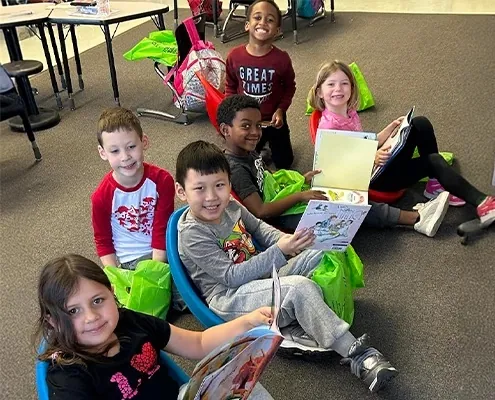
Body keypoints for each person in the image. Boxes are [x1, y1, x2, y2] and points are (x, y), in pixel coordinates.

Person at [175, 140, 398, 393]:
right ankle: (357, 354)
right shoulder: (192, 234)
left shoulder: (231, 206)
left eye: (219, 185)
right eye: (199, 189)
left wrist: (288, 241)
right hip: (230, 297)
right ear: (181, 191)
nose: (212, 197)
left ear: (229, 183)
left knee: (320, 250)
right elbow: (230, 277)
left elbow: (259, 228)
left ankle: (303, 323)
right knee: (299, 289)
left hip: (259, 277)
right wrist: (281, 251)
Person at [35, 254, 274, 399]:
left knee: (244, 384)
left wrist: (248, 322)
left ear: (112, 293)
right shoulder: (67, 372)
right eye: (73, 311)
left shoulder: (129, 322)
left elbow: (198, 343)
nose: (91, 317)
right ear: (53, 321)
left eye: (98, 301)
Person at [218, 94, 450, 237]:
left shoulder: (248, 152)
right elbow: (261, 211)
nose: (255, 132)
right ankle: (416, 219)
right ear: (225, 130)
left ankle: (410, 216)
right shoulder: (235, 168)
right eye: (246, 126)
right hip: (281, 219)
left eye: (258, 125)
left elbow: (268, 180)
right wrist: (300, 196)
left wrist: (302, 179)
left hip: (286, 200)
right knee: (347, 205)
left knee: (343, 190)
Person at [308, 60, 495, 227]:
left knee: (419, 123)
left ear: (352, 88)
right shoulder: (328, 126)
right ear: (320, 93)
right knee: (432, 161)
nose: (338, 89)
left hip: (373, 165)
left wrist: (387, 131)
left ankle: (434, 185)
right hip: (371, 180)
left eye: (344, 83)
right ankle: (482, 203)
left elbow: (362, 141)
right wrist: (370, 158)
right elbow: (339, 168)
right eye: (331, 84)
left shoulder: (348, 113)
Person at [91, 107, 175, 270]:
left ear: (144, 142)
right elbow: (103, 240)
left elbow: (162, 226)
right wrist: (115, 276)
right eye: (115, 151)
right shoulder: (101, 197)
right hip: (131, 261)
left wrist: (156, 269)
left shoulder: (162, 181)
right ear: (103, 153)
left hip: (164, 250)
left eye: (131, 147)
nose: (125, 157)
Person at [225, 0, 295, 169]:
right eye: (257, 17)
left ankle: (267, 148)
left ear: (277, 31)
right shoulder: (234, 56)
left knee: (285, 162)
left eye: (270, 20)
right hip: (247, 121)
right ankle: (260, 149)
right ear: (247, 25)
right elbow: (230, 85)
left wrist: (281, 110)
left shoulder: (281, 59)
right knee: (244, 162)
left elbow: (289, 87)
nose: (263, 22)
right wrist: (232, 113)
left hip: (273, 119)